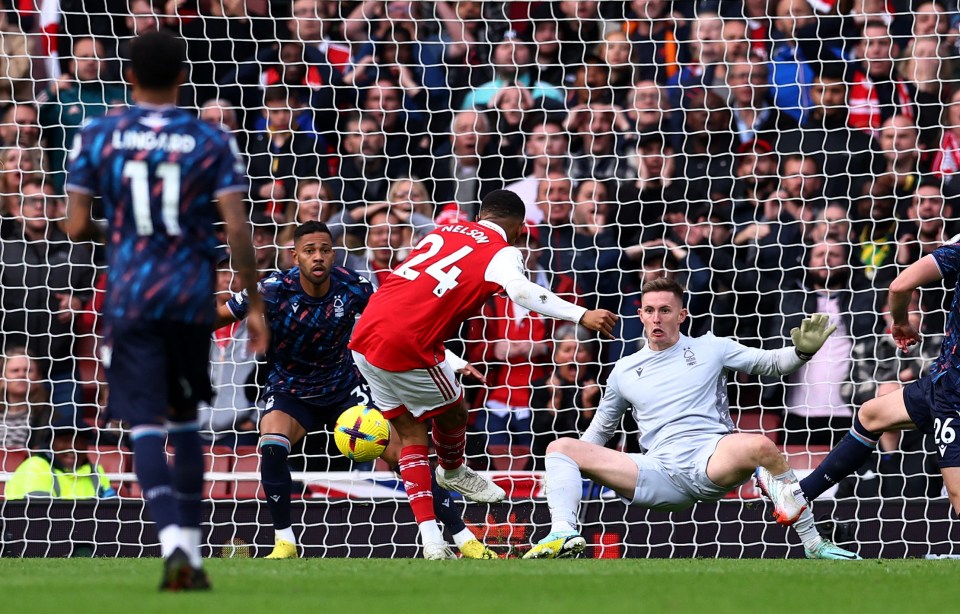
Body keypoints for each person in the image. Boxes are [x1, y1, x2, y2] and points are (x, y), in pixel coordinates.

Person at [64, 31, 268, 591]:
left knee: (146, 425)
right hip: (187, 300)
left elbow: (78, 226)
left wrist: (128, 230)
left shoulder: (98, 133)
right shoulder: (209, 138)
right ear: (183, 77)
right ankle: (195, 555)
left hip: (131, 298)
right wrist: (251, 302)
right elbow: (238, 229)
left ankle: (171, 545)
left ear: (128, 75)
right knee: (184, 421)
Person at [349, 189, 618, 559]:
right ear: (520, 229)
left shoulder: (442, 232)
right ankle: (454, 470)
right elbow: (521, 291)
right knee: (457, 410)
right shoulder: (502, 250)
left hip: (364, 337)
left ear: (481, 213)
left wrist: (453, 360)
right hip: (406, 343)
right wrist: (580, 314)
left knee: (411, 434)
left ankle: (431, 541)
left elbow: (416, 295)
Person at [215, 221, 497, 560]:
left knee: (402, 455)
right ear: (295, 256)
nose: (317, 257)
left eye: (324, 250)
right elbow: (219, 315)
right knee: (272, 447)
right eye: (309, 251)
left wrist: (451, 359)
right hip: (291, 390)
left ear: (333, 254)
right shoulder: (273, 288)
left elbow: (398, 323)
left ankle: (465, 538)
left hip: (346, 390)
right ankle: (284, 542)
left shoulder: (355, 286)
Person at [523, 278, 859, 560]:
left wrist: (802, 352)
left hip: (712, 459)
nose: (657, 318)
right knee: (561, 447)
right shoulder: (623, 371)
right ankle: (564, 533)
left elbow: (771, 363)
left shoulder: (711, 348)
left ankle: (814, 543)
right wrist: (565, 471)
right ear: (639, 314)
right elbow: (597, 434)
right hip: (657, 474)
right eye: (650, 311)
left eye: (665, 310)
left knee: (760, 445)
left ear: (682, 314)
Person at [797, 233, 960, 516]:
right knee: (872, 414)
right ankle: (800, 494)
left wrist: (900, 323)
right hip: (943, 384)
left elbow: (898, 287)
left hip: (953, 392)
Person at [5, 424, 117, 500]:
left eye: (79, 441)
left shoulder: (95, 471)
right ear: (51, 444)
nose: (72, 447)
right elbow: (38, 517)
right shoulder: (35, 467)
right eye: (65, 441)